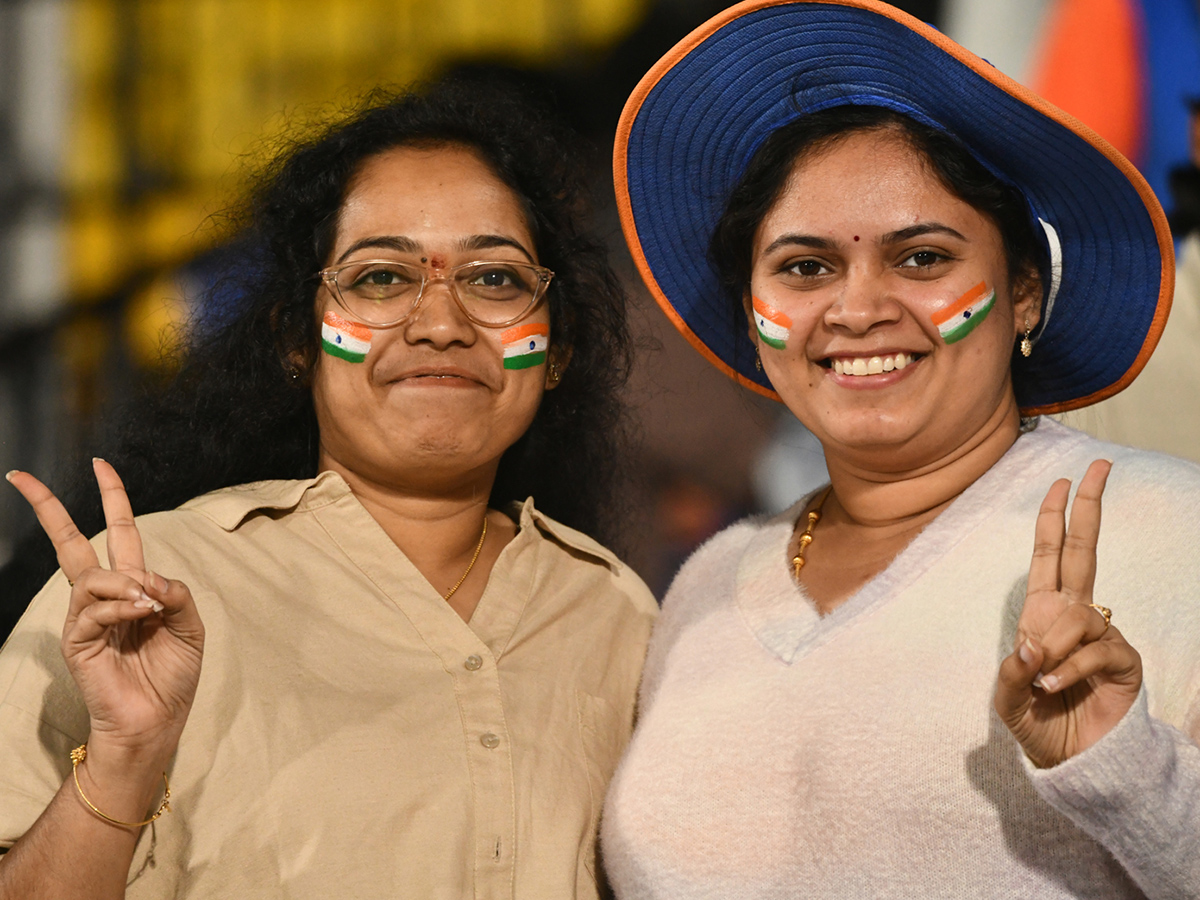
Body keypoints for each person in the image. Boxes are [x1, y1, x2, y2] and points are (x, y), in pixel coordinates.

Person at [0, 78, 657, 899]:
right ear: (296, 340)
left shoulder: (618, 616)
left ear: (556, 351)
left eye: (495, 280)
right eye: (381, 279)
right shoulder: (141, 592)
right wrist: (124, 762)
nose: (441, 322)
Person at [602, 2, 1199, 897]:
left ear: (1025, 291)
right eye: (804, 268)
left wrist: (1125, 770)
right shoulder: (707, 584)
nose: (858, 308)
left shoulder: (1173, 538)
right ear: (753, 315)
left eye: (921, 259)